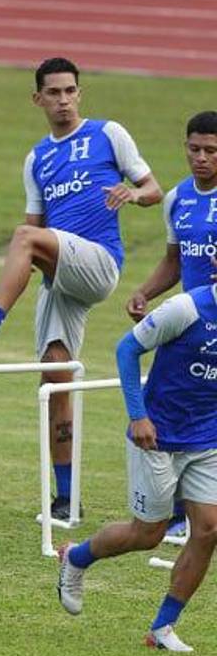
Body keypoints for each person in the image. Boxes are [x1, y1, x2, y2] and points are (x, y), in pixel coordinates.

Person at [0, 57, 161, 520]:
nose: (63, 101)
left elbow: (154, 189)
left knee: (23, 239)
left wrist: (133, 194)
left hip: (100, 264)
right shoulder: (36, 158)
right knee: (55, 376)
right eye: (54, 93)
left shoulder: (108, 133)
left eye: (70, 91)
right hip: (61, 276)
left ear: (79, 93)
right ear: (37, 98)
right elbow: (35, 228)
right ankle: (66, 499)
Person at [57, 282, 217, 652]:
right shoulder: (185, 309)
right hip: (156, 436)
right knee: (148, 535)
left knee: (209, 529)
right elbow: (127, 349)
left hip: (207, 439)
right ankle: (76, 557)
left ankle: (162, 628)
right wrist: (137, 416)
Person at [125, 110, 217, 538]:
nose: (201, 158)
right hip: (187, 324)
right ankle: (180, 510)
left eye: (211, 151)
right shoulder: (177, 199)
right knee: (180, 404)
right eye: (194, 149)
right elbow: (175, 261)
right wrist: (146, 292)